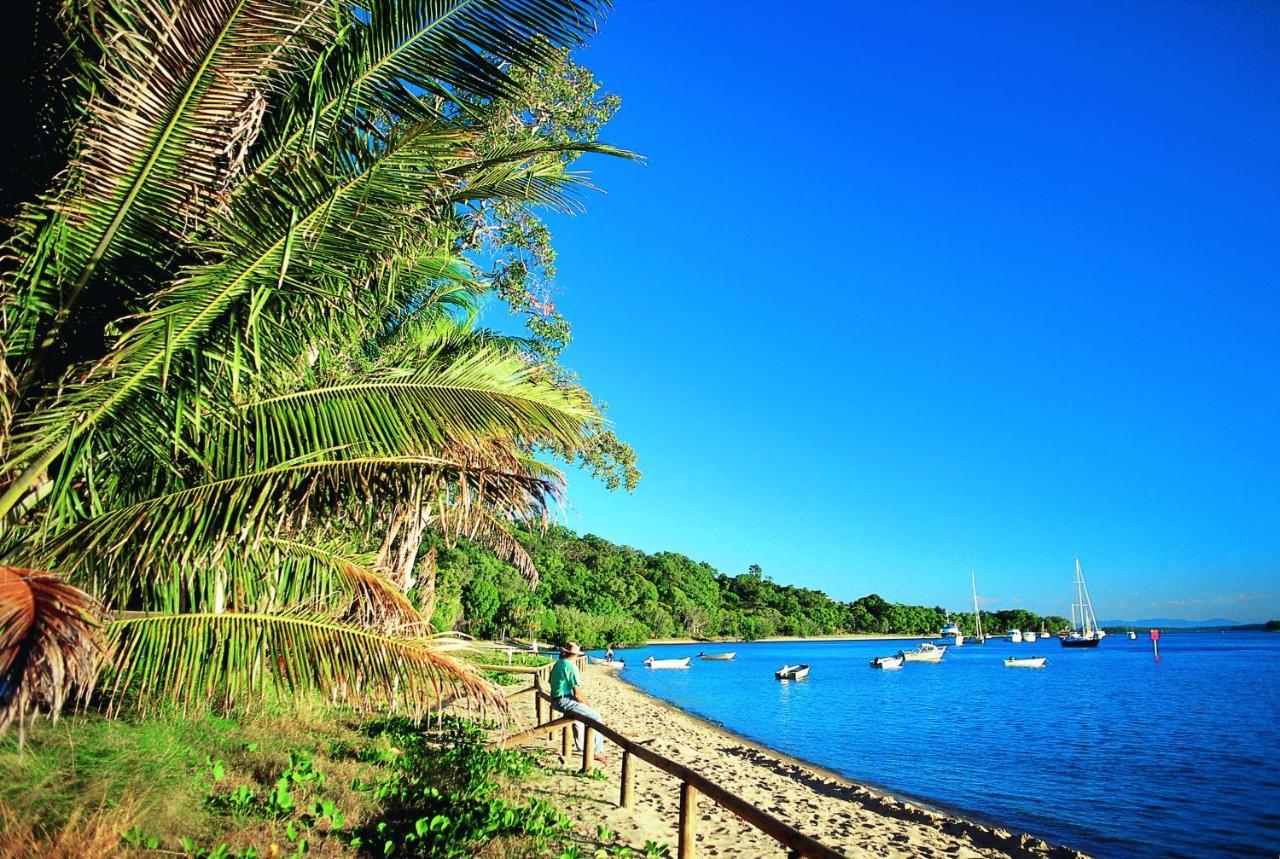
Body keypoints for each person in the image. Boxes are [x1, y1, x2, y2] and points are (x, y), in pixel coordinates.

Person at [548, 642, 606, 762]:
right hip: (563, 700)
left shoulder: (558, 663)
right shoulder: (571, 667)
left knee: (578, 718)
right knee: (596, 717)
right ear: (577, 656)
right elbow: (577, 694)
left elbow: (551, 681)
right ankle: (596, 751)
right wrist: (589, 705)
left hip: (555, 698)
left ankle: (582, 747)